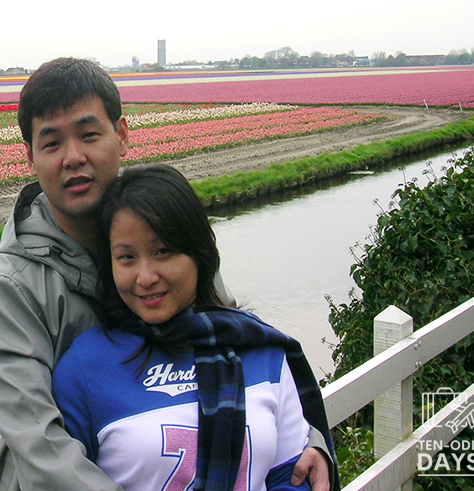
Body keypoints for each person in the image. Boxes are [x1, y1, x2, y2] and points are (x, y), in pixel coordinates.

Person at [0, 57, 334, 491]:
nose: (74, 157)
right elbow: (39, 445)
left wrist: (305, 441)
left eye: (89, 135)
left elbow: (237, 348)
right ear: (30, 157)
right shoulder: (12, 289)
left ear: (122, 135)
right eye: (51, 144)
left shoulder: (170, 232)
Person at [52, 164, 340, 491]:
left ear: (198, 253)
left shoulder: (263, 351)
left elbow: (291, 475)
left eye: (163, 251)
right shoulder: (84, 369)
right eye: (127, 258)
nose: (145, 277)